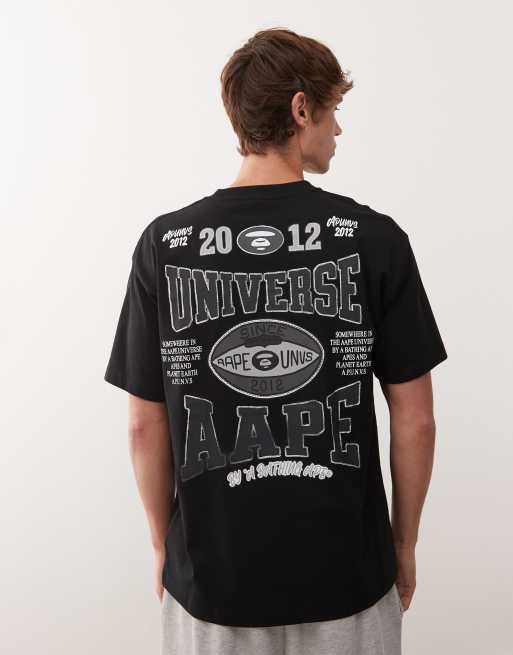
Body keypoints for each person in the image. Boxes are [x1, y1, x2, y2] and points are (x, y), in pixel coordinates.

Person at [104, 27, 448, 655]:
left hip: (211, 584)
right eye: (333, 109)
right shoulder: (373, 239)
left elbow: (142, 427)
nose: (338, 128)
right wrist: (404, 544)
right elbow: (416, 419)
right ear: (300, 109)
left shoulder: (164, 246)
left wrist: (162, 546)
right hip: (349, 577)